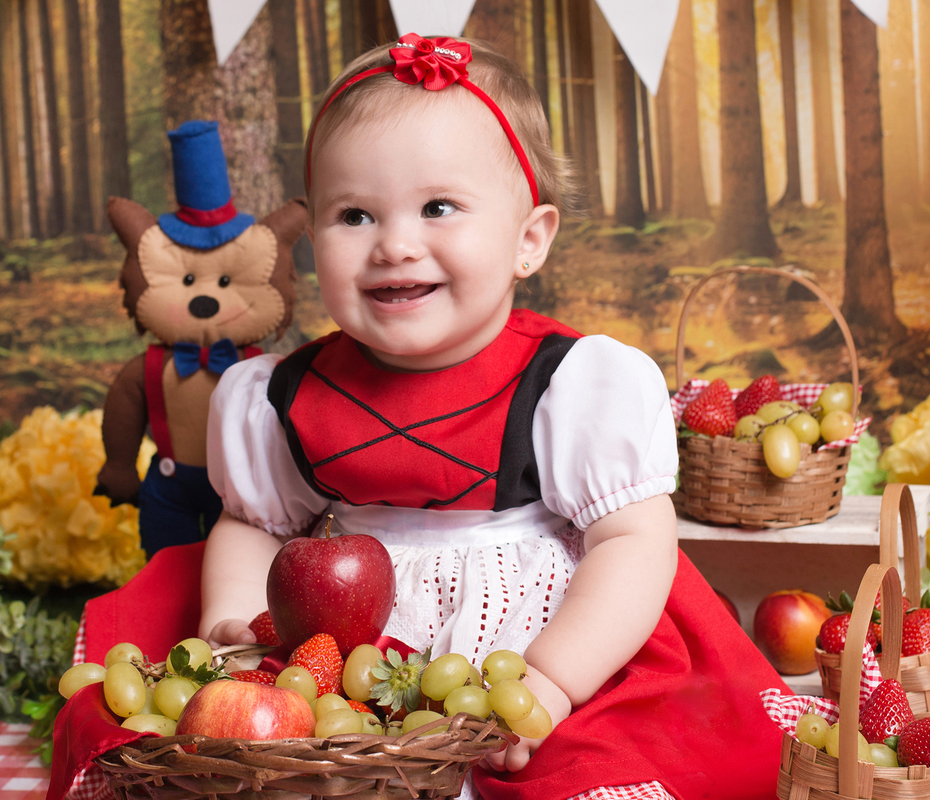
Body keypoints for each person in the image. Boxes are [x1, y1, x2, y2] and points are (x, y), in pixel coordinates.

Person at [197, 33, 785, 800]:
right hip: (345, 648)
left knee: (583, 771)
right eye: (355, 215)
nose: (395, 245)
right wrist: (234, 622)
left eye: (437, 208)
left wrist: (554, 680)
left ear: (528, 241)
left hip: (542, 639)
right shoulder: (284, 395)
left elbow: (633, 543)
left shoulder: (567, 385)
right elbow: (253, 524)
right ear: (313, 241)